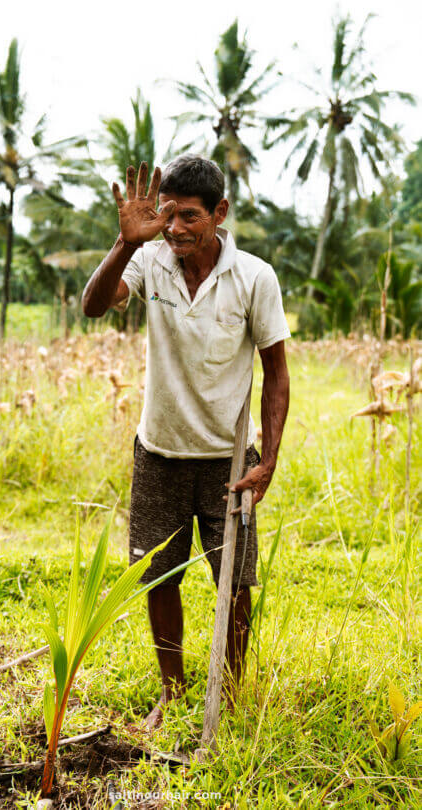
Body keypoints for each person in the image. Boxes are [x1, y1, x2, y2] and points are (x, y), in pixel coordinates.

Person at [82, 155, 290, 730]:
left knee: (235, 580)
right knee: (161, 575)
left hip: (229, 460)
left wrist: (267, 460)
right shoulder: (150, 259)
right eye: (167, 215)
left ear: (219, 213)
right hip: (160, 453)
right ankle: (172, 693)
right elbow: (93, 305)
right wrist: (125, 244)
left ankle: (234, 689)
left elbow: (276, 372)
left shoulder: (254, 277)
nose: (174, 228)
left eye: (189, 217)